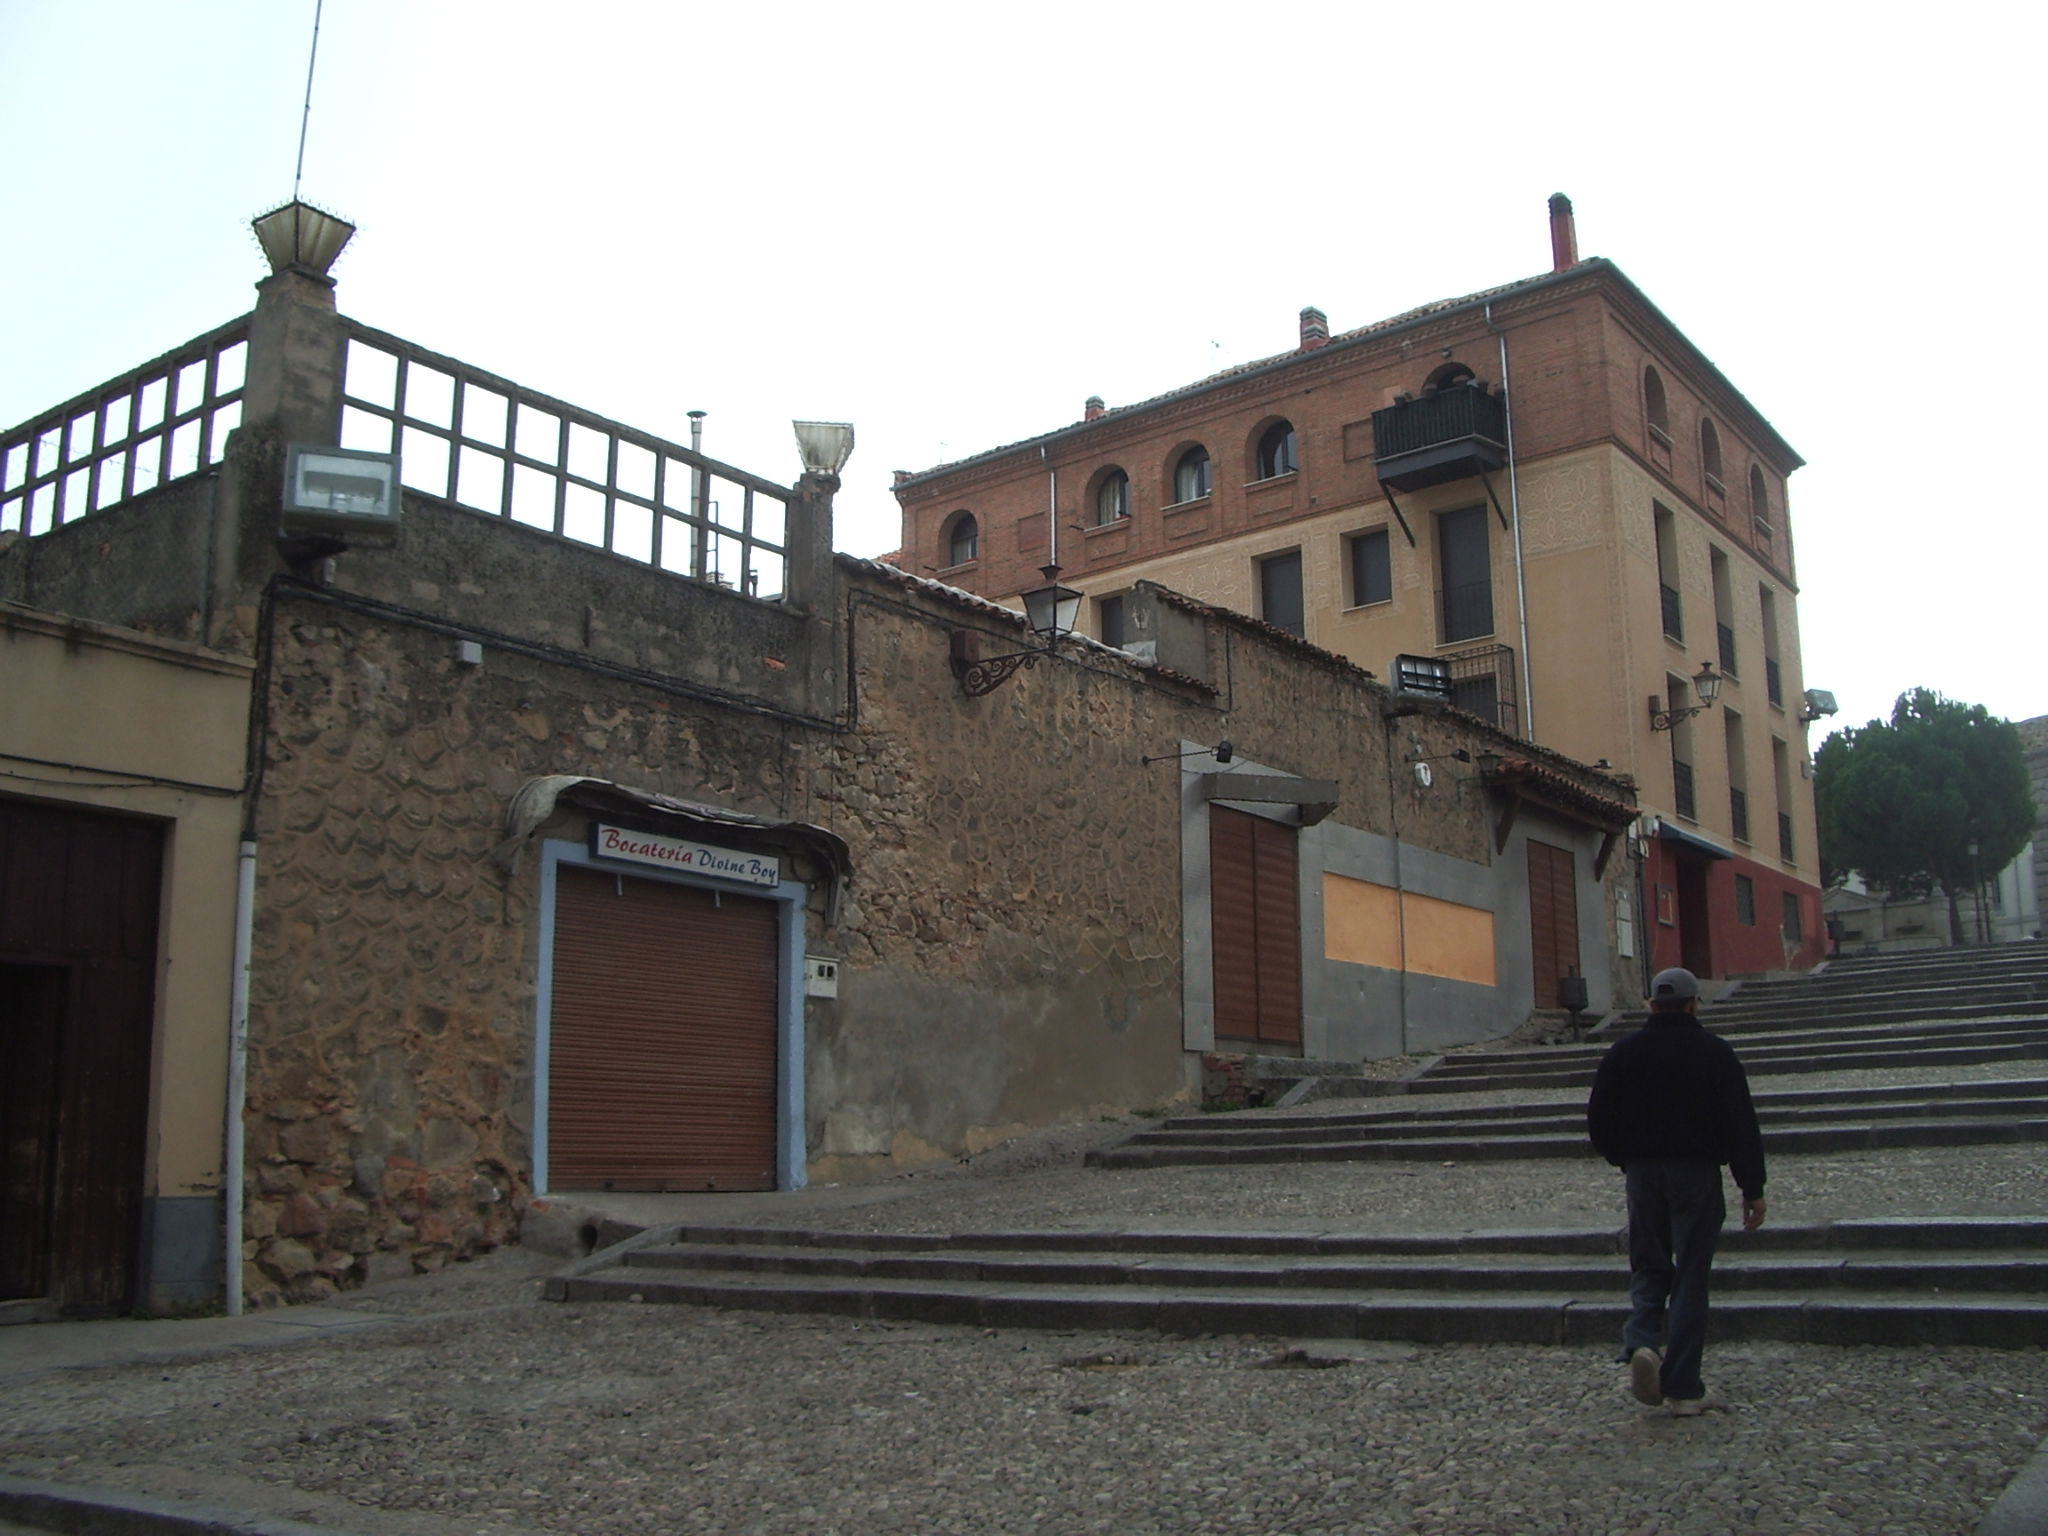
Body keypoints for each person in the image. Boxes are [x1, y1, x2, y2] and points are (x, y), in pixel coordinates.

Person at [1586, 966, 1766, 1416]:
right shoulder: (1715, 1054)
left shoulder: (1623, 1053)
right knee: (1690, 1273)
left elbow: (1599, 1118)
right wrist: (1752, 1187)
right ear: (1692, 1004)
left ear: (1651, 1004)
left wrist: (1624, 1158)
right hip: (1697, 1173)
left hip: (1643, 1174)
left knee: (1648, 1263)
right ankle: (1683, 1386)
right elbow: (1740, 1124)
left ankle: (1643, 1340)